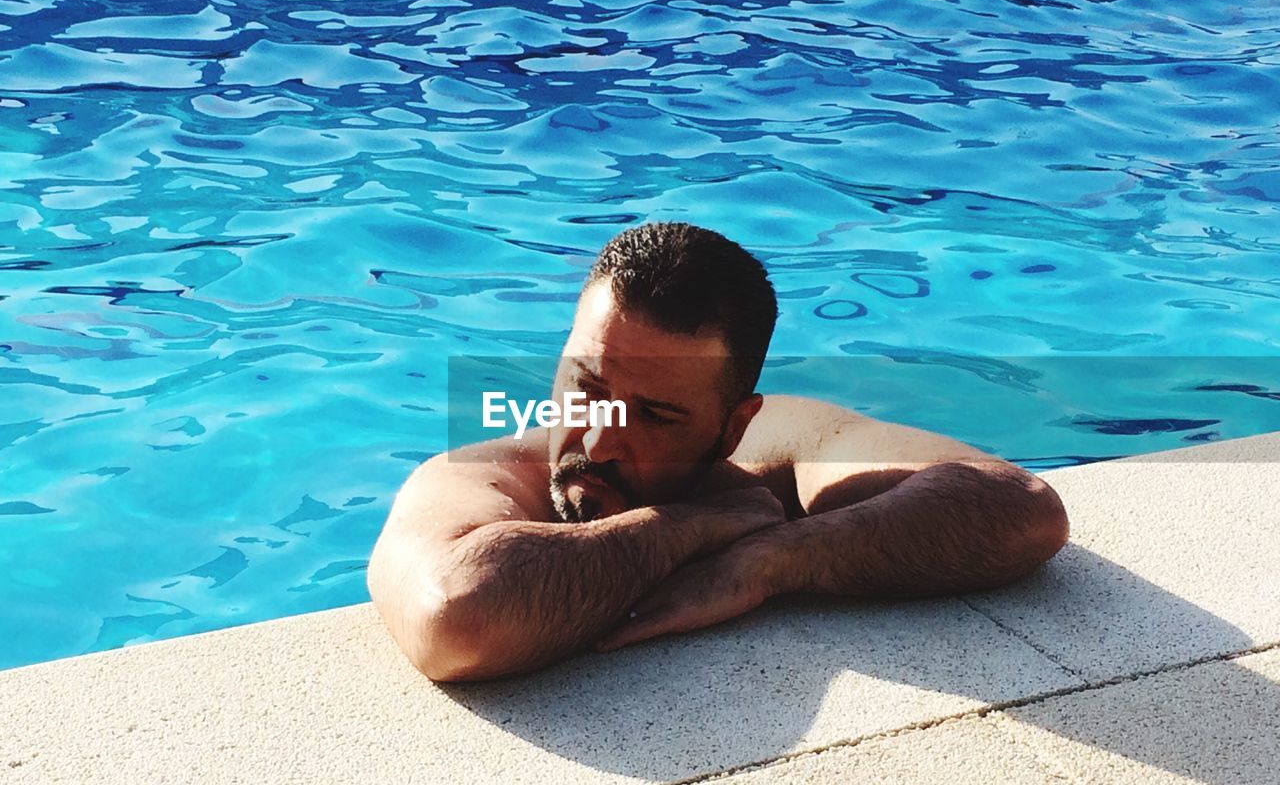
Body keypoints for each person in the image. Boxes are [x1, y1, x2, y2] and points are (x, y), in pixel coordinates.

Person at [367, 222, 1069, 682]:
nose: (602, 436)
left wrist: (772, 560)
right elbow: (457, 615)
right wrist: (679, 530)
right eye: (586, 384)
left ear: (732, 428)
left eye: (657, 414)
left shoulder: (775, 453)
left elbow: (1022, 509)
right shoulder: (488, 476)